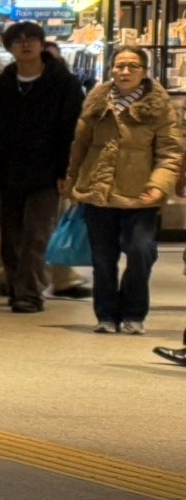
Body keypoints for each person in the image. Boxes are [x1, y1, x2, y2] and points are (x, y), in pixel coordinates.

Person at [66, 44, 181, 335]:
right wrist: (71, 180)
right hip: (99, 193)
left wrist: (159, 186)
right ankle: (106, 314)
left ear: (144, 72)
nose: (125, 71)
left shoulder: (160, 106)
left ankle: (133, 312)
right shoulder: (97, 101)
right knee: (103, 259)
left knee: (141, 252)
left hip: (141, 195)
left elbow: (170, 152)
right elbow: (80, 146)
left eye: (133, 66)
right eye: (120, 65)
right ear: (111, 69)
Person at [0, 20, 83, 313]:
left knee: (36, 234)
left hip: (47, 172)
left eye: (31, 39)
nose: (25, 44)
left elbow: (73, 131)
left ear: (42, 44)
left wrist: (66, 171)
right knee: (10, 235)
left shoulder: (64, 84)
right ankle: (17, 286)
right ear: (10, 47)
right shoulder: (0, 86)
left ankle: (29, 293)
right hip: (7, 172)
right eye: (18, 40)